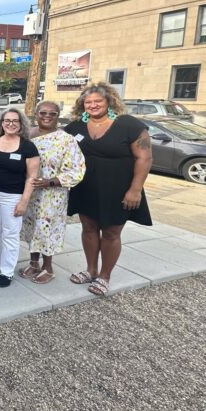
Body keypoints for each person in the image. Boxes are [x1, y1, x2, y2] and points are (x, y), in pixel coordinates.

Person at [64, 82, 152, 296]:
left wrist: (135, 189)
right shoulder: (75, 126)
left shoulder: (129, 124)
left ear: (109, 101)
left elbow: (145, 157)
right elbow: (53, 143)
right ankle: (91, 270)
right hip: (85, 187)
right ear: (82, 105)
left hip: (118, 188)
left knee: (112, 232)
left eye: (98, 101)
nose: (93, 105)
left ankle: (104, 276)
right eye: (88, 102)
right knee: (89, 228)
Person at [19, 101, 86, 284]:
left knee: (47, 229)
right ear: (35, 114)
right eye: (43, 113)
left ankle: (48, 267)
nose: (47, 116)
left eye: (52, 113)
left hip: (52, 194)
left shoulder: (66, 139)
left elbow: (77, 170)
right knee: (31, 227)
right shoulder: (27, 135)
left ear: (58, 116)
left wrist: (51, 181)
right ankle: (33, 263)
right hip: (30, 192)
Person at [0, 108, 40, 287]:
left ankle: (7, 271)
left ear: (21, 124)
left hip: (12, 196)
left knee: (10, 234)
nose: (10, 124)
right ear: (1, 123)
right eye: (7, 120)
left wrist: (24, 201)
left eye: (15, 121)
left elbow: (31, 177)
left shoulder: (27, 146)